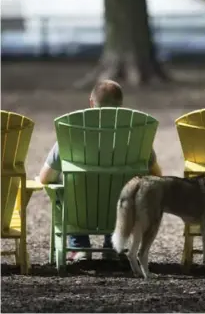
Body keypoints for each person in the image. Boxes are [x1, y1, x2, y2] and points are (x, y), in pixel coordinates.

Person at [39, 79, 162, 261]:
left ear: (91, 103)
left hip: (80, 214)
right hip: (120, 213)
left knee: (65, 184)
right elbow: (157, 176)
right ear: (121, 106)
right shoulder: (137, 138)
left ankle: (79, 247)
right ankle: (112, 247)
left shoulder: (71, 134)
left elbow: (44, 178)